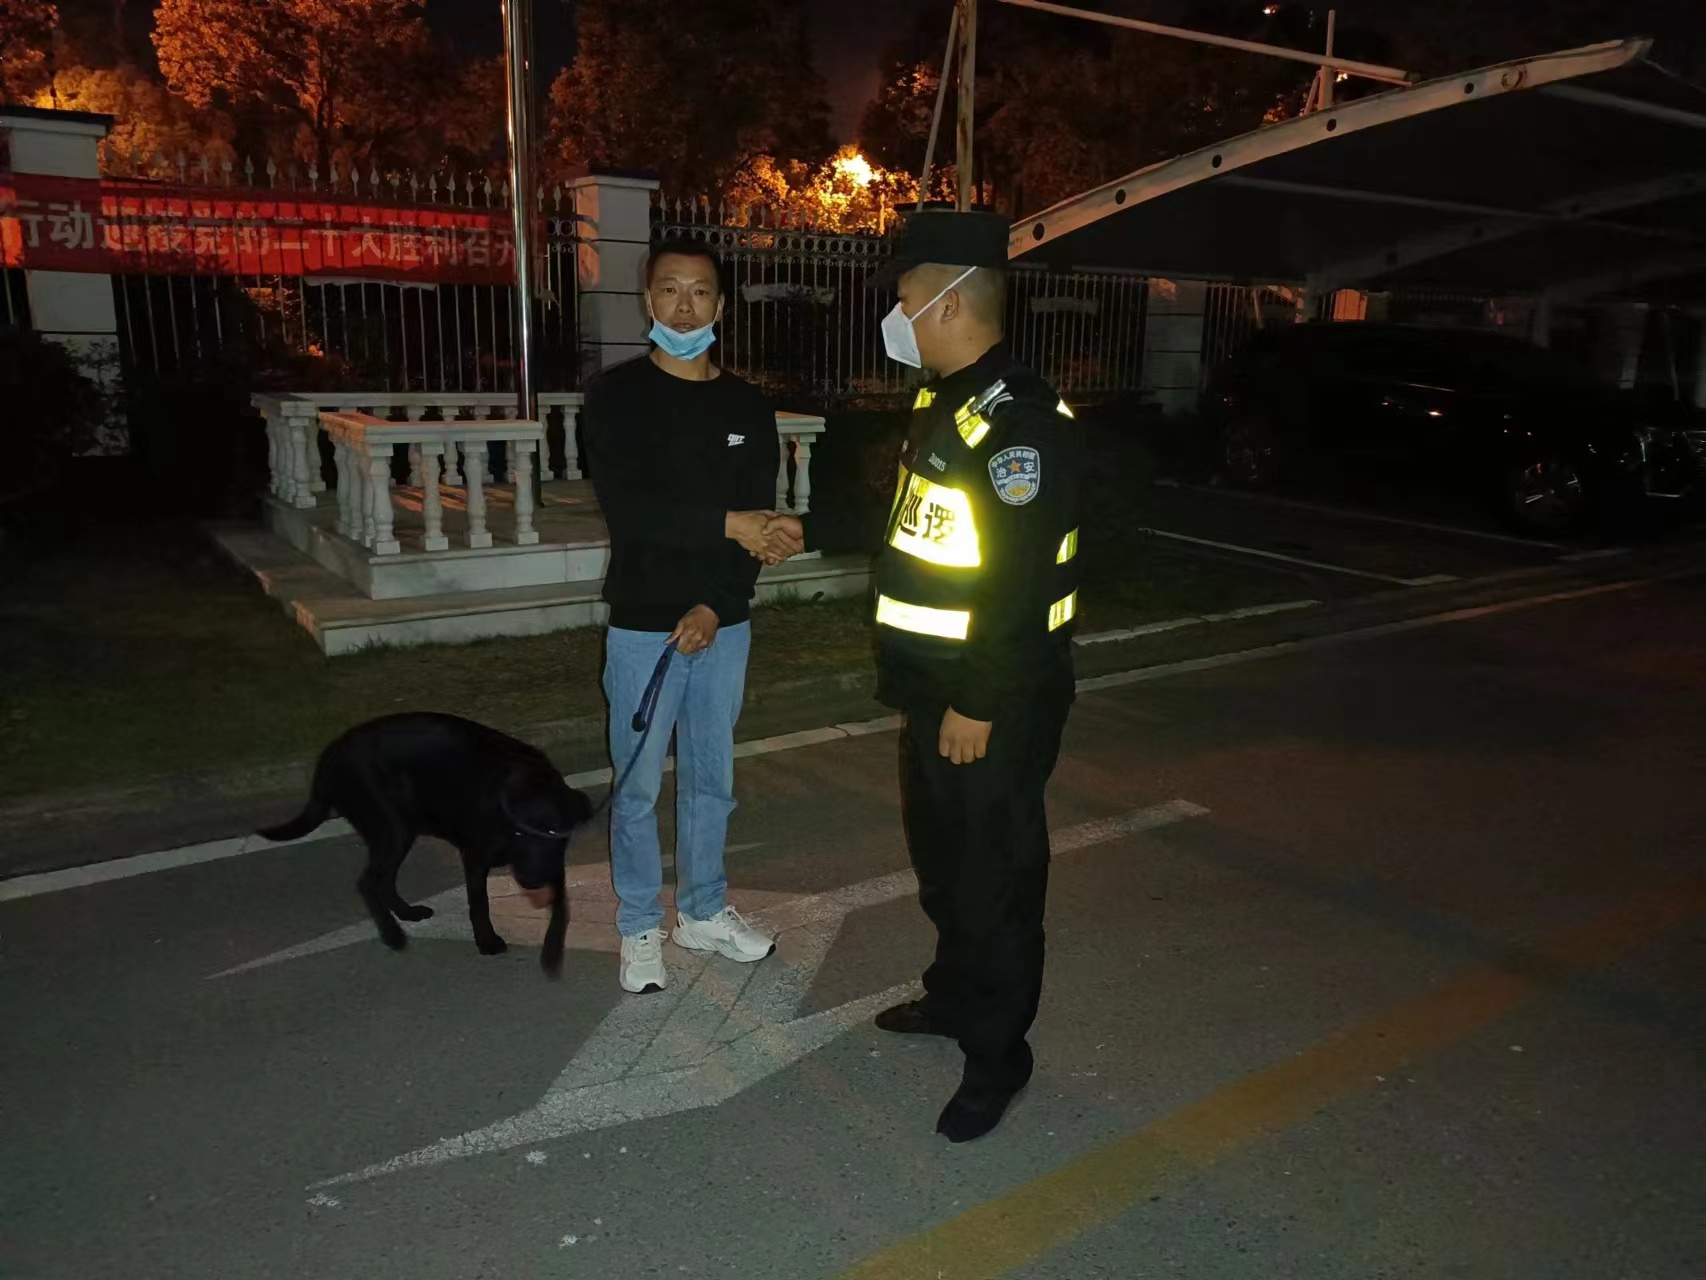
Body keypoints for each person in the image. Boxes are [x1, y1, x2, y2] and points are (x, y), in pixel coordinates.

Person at [768, 209, 1082, 1142]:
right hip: (933, 688)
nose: (894, 316)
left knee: (994, 879)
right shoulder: (946, 402)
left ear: (948, 304)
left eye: (903, 298)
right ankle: (953, 998)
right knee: (946, 865)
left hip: (990, 697)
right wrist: (807, 531)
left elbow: (1020, 581)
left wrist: (976, 701)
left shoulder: (1019, 423)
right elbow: (911, 522)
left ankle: (998, 1055)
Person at [581, 237, 796, 995]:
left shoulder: (747, 405)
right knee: (638, 785)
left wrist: (715, 602)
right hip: (644, 621)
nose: (683, 306)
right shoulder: (616, 397)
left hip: (723, 620)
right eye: (669, 290)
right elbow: (632, 512)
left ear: (720, 306)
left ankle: (703, 911)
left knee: (712, 777)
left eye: (699, 291)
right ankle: (641, 924)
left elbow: (760, 520)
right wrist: (728, 526)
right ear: (649, 300)